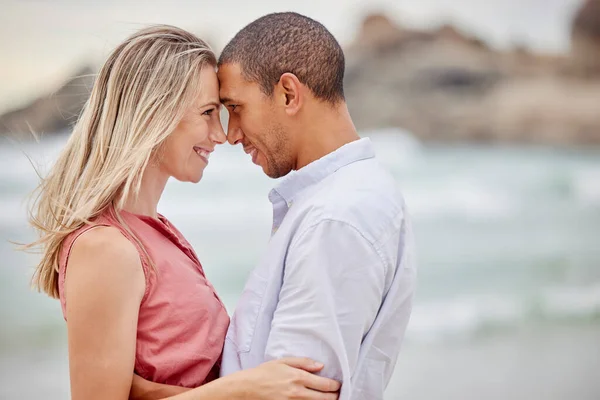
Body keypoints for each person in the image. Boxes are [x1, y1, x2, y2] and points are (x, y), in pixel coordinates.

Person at [24, 24, 340, 400]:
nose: (220, 135)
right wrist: (243, 389)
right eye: (207, 113)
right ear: (153, 114)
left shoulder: (155, 232)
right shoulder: (106, 247)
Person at [216, 12, 417, 400]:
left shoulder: (336, 217)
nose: (231, 134)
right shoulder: (339, 200)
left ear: (288, 94)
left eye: (236, 107)